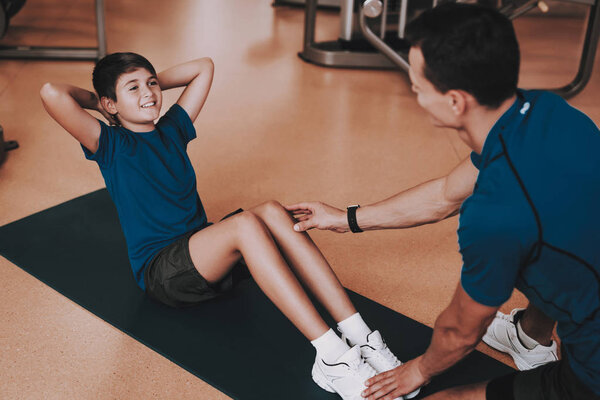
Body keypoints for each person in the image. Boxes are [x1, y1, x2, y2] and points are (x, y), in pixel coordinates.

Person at [39, 52, 419, 400]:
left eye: (152, 82)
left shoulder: (172, 129)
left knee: (272, 210)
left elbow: (203, 66)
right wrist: (105, 104)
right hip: (163, 273)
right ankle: (332, 358)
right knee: (242, 226)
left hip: (203, 254)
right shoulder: (110, 143)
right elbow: (52, 92)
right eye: (134, 87)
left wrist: (134, 90)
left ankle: (359, 336)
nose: (150, 92)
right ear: (109, 103)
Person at [286, 3, 600, 400]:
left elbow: (461, 332)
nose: (413, 90)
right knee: (562, 226)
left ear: (455, 101)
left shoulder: (494, 215)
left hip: (593, 369)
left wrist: (417, 370)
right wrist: (347, 218)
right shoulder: (547, 111)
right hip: (587, 281)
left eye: (417, 84)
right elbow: (444, 195)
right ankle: (528, 335)